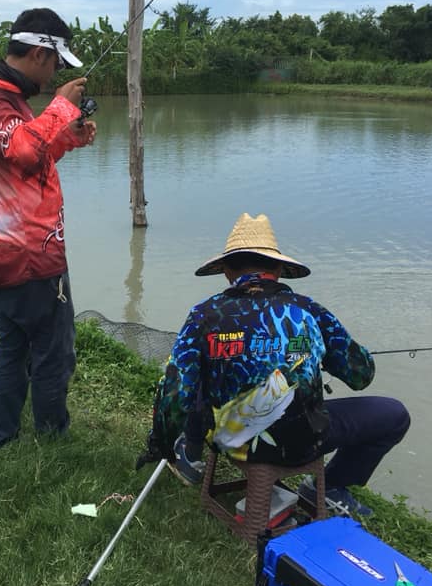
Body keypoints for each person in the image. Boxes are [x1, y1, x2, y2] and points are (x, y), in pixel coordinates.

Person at [136, 212, 410, 517]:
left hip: (227, 438)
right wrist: (321, 353)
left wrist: (159, 444)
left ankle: (191, 452)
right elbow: (361, 374)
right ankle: (331, 485)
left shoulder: (204, 314)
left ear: (226, 270)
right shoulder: (310, 312)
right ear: (279, 269)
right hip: (303, 442)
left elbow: (175, 392)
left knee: (202, 367)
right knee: (395, 415)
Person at [0, 8, 97, 449]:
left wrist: (68, 135)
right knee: (53, 355)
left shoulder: (6, 101)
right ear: (41, 53)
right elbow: (21, 150)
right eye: (57, 60)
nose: (58, 70)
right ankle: (51, 442)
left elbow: (25, 161)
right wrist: (61, 105)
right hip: (28, 253)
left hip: (9, 250)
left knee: (13, 346)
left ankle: (0, 440)